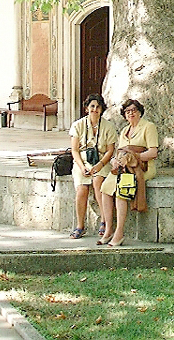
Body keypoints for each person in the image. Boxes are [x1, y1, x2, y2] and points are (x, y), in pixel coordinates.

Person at [99, 98, 158, 247]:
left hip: (142, 167)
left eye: (134, 110)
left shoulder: (148, 127)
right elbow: (120, 151)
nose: (131, 113)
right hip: (123, 168)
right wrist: (115, 160)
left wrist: (133, 157)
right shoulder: (125, 130)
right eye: (127, 111)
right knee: (105, 188)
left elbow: (153, 152)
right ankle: (109, 229)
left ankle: (119, 233)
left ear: (140, 112)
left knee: (122, 190)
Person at [69, 93, 117, 239]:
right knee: (82, 189)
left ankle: (104, 220)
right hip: (82, 161)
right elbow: (75, 150)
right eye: (92, 106)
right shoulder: (78, 125)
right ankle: (80, 226)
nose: (95, 109)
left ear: (102, 109)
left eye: (98, 107)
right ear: (87, 108)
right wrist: (82, 167)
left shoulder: (108, 126)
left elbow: (110, 150)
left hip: (102, 161)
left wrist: (100, 165)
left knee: (98, 183)